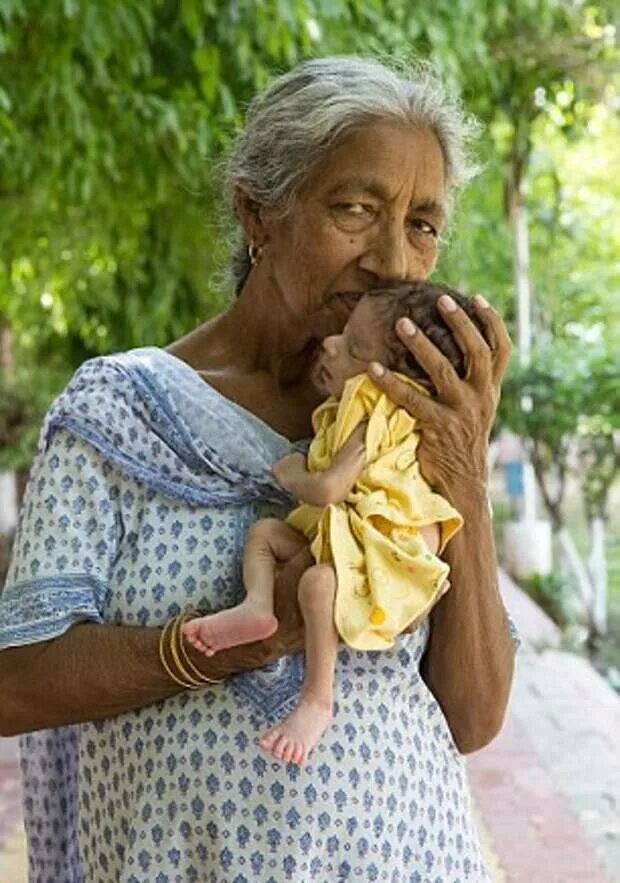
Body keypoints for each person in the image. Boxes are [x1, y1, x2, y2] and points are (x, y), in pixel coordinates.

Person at [0, 57, 517, 882]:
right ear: (257, 213)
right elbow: (15, 683)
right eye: (355, 208)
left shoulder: (413, 429)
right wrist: (229, 643)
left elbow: (473, 715)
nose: (391, 259)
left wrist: (465, 476)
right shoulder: (122, 410)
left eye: (422, 224)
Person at [183, 282, 482, 767]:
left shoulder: (377, 414)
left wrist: (292, 472)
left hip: (385, 553)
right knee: (266, 537)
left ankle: (317, 700)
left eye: (354, 348)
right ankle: (256, 606)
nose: (331, 344)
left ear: (390, 379)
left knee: (318, 585)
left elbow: (328, 490)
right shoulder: (351, 411)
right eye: (344, 334)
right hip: (354, 535)